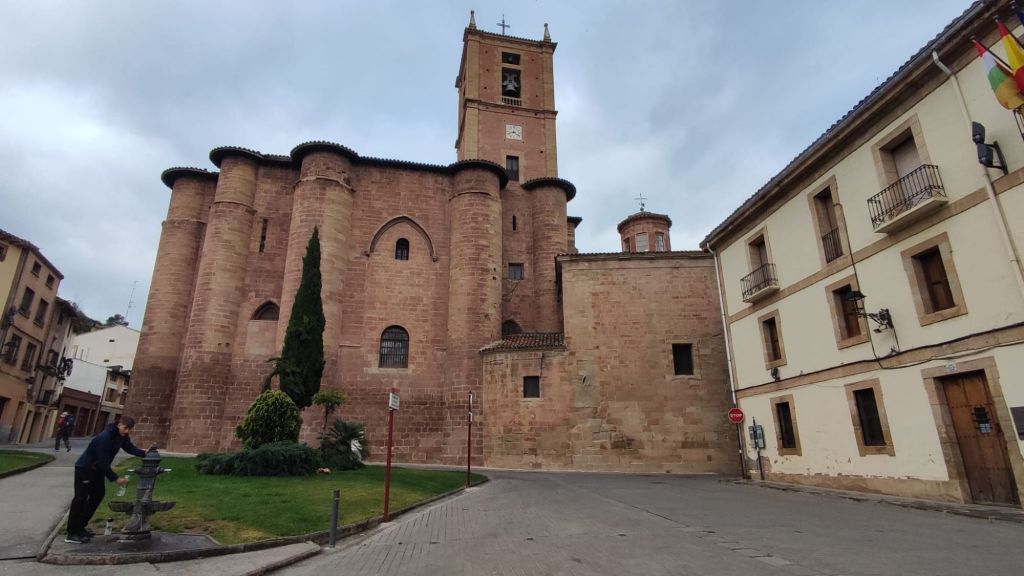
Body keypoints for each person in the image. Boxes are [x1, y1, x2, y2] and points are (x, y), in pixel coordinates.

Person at [65, 415, 146, 544]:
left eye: (129, 429)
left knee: (98, 495)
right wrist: (116, 479)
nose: (127, 431)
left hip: (97, 470)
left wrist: (144, 453)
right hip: (85, 468)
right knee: (80, 498)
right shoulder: (106, 437)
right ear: (119, 424)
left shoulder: (121, 436)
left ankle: (80, 527)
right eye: (125, 428)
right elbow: (102, 461)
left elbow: (129, 447)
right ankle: (72, 532)